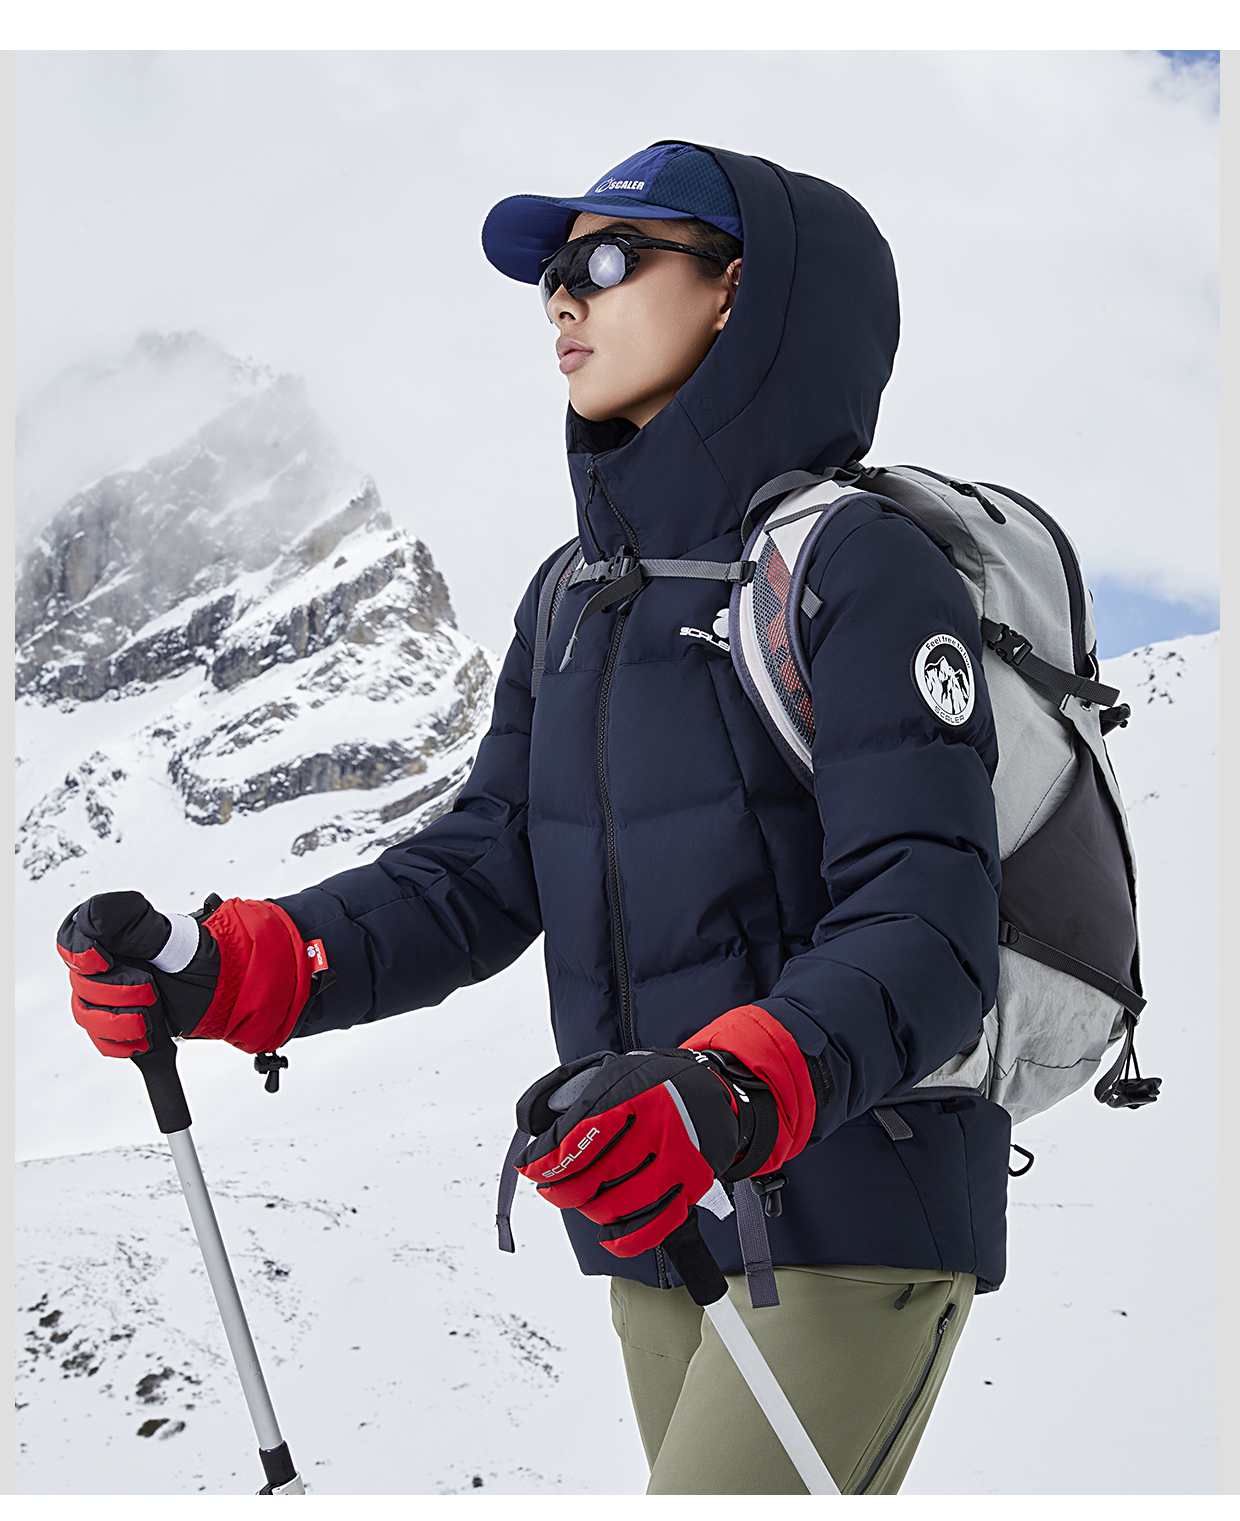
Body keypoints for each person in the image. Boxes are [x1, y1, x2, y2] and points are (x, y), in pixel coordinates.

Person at [58, 141, 1009, 1495]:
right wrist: (237, 966)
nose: (564, 298)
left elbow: (931, 920)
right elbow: (478, 872)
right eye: (552, 274)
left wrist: (727, 1090)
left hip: (850, 1212)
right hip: (657, 1225)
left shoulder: (856, 563)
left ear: (738, 290)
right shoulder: (574, 595)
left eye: (606, 260)